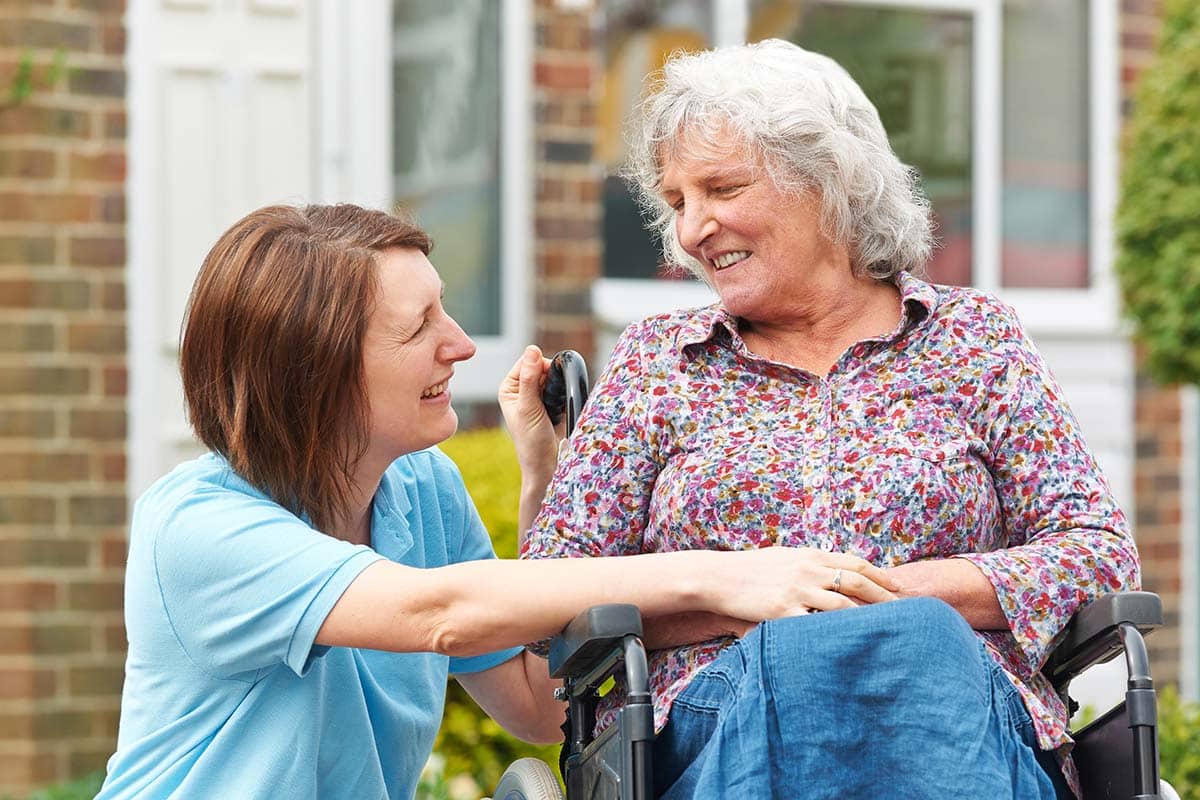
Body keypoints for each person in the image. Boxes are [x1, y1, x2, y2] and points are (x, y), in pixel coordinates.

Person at [521, 39, 1140, 799]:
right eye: (679, 202)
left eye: (722, 188)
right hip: (721, 723)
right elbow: (550, 591)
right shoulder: (661, 361)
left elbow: (1099, 554)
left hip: (958, 716)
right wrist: (727, 594)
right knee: (801, 659)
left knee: (915, 639)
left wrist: (910, 596)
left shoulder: (976, 340)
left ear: (829, 181)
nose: (692, 229)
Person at [96, 203, 878, 800]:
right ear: (315, 372)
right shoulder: (199, 530)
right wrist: (716, 574)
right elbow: (435, 612)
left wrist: (545, 480)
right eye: (419, 328)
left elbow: (537, 705)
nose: (462, 345)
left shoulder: (420, 490)